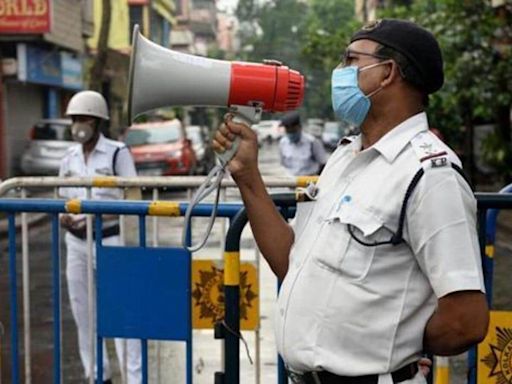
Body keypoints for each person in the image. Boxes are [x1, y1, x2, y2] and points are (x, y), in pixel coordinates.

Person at [213, 19, 489, 384]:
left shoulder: (431, 175)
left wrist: (395, 344)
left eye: (350, 60)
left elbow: (466, 320)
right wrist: (247, 176)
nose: (339, 73)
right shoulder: (345, 157)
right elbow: (292, 263)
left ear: (387, 72)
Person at [59, 90, 142, 384]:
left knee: (121, 312)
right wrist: (66, 217)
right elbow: (62, 198)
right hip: (77, 243)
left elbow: (133, 198)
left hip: (110, 240)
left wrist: (97, 214)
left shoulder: (118, 153)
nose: (78, 124)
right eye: (74, 119)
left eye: (84, 119)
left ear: (97, 122)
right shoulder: (68, 158)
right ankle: (97, 375)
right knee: (83, 312)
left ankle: (134, 378)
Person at [278, 111, 328, 176]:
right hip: (290, 181)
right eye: (288, 130)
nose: (290, 133)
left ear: (299, 127)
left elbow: (323, 164)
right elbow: (283, 164)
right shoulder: (283, 143)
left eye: (293, 130)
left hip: (309, 180)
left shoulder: (312, 142)